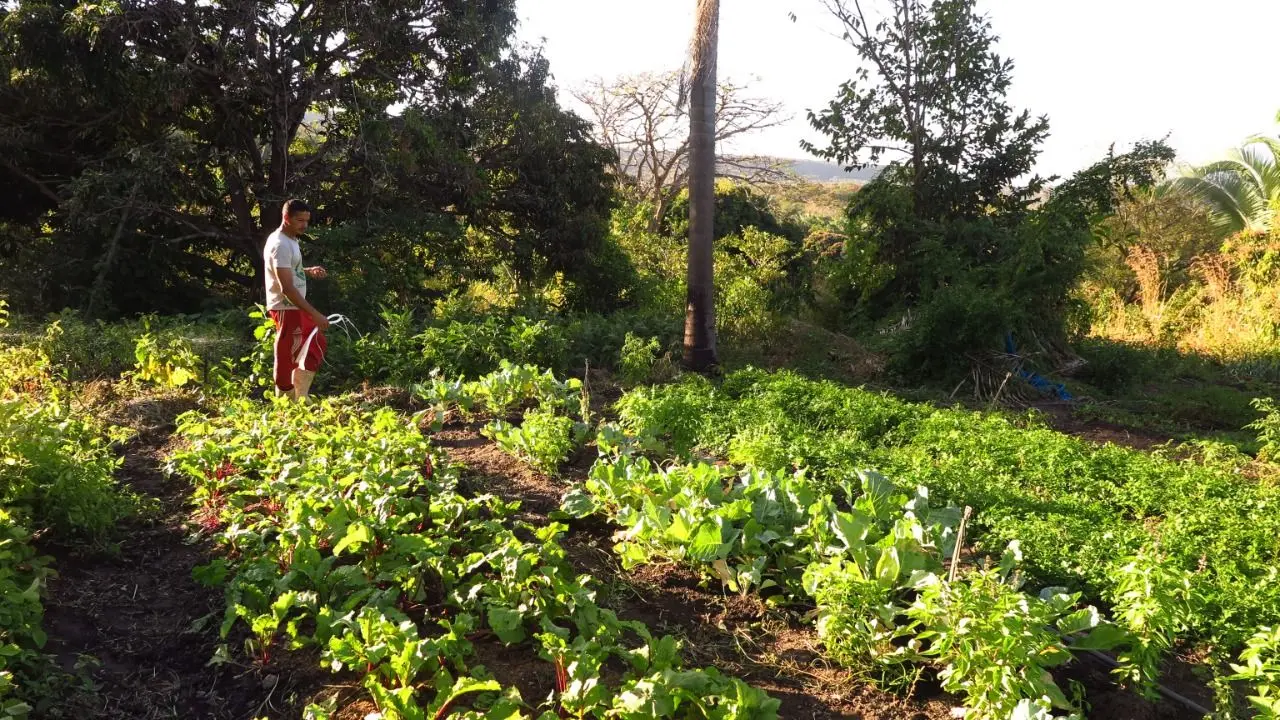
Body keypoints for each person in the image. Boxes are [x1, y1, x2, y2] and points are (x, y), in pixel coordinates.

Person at [263, 199, 329, 400]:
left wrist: (306, 271)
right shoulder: (280, 244)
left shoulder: (291, 239)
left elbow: (287, 270)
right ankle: (285, 400)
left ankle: (300, 396)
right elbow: (286, 288)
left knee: (315, 343)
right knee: (288, 354)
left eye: (307, 220)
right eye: (300, 220)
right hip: (286, 307)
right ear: (286, 218)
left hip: (294, 306)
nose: (304, 225)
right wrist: (314, 314)